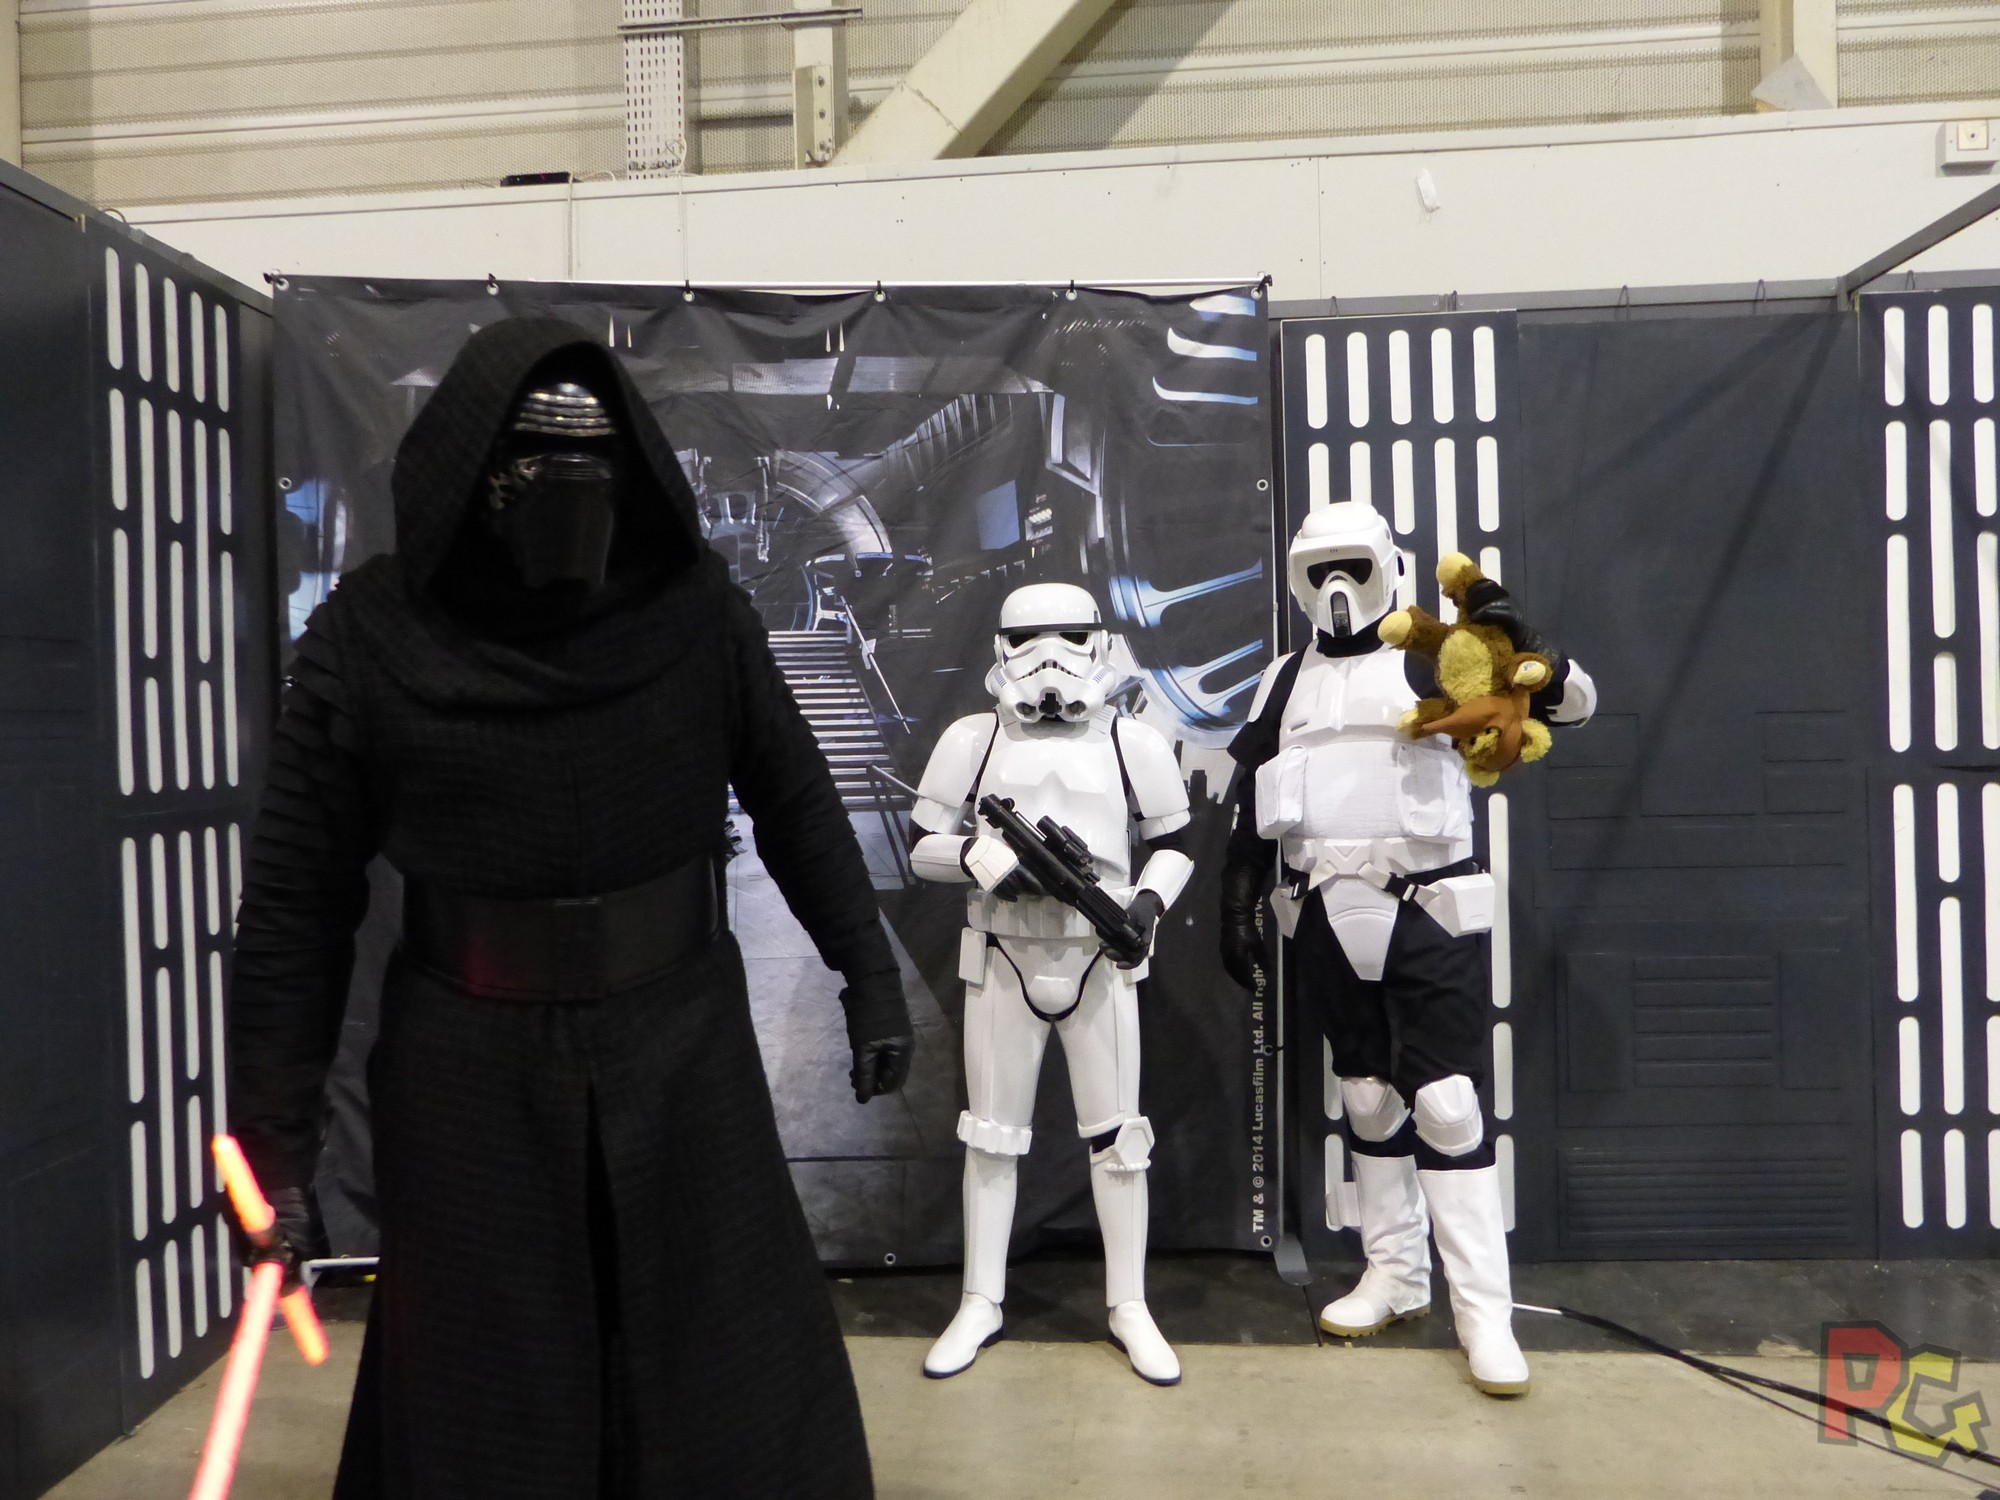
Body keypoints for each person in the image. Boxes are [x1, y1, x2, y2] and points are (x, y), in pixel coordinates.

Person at [227, 317, 914, 1498]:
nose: (568, 494)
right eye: (536, 465)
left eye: (592, 464)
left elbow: (795, 795)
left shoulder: (693, 611)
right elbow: (296, 905)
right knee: (484, 1379)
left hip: (681, 1034)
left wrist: (870, 972)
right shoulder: (373, 636)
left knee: (718, 1353)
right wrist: (273, 1145)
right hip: (466, 1059)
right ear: (471, 473)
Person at [1219, 502, 1595, 1397]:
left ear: (1386, 565)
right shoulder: (1281, 682)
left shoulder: (1436, 657)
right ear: (1298, 579)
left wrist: (1531, 646)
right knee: (1365, 1093)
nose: (1336, 587)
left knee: (1448, 1104)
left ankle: (1484, 1313)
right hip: (1320, 907)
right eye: (1318, 571)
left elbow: (1573, 705)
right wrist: (1236, 898)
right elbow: (1250, 799)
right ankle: (1395, 1273)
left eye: (1351, 566)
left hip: (1425, 907)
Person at [904, 583, 1195, 1386]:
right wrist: (975, 856)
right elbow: (922, 843)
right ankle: (981, 1299)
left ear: (1097, 641)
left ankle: (1128, 1304)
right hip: (1002, 954)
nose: (1049, 659)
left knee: (1120, 1141)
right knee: (991, 1136)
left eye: (1068, 636)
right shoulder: (974, 739)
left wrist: (1145, 904)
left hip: (1099, 955)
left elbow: (1174, 842)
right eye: (1028, 640)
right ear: (1000, 647)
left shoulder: (1132, 741)